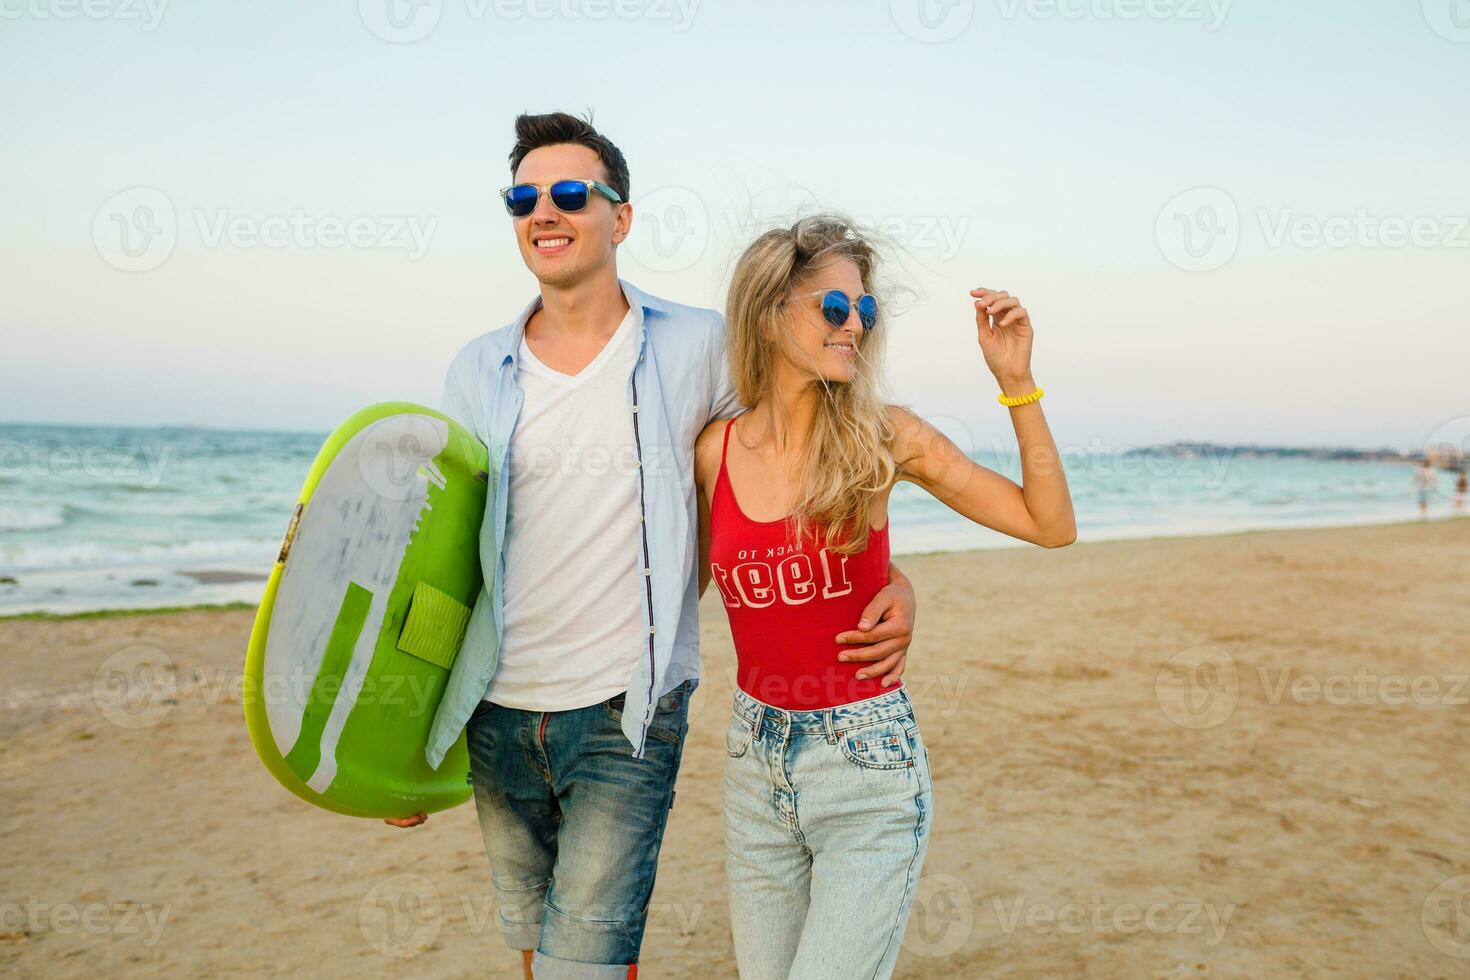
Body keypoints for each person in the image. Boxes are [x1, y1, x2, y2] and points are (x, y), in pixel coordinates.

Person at [387, 114, 921, 980]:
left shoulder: (700, 345)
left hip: (624, 710)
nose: (544, 211)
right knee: (534, 948)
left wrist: (893, 574)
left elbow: (798, 465)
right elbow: (444, 558)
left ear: (620, 219)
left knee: (586, 963)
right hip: (497, 710)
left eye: (570, 194)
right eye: (524, 197)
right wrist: (405, 744)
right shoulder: (475, 370)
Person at [694, 216, 1075, 978]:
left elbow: (1049, 523)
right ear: (770, 313)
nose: (855, 327)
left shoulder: (883, 437)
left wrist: (1016, 385)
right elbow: (661, 592)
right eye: (834, 309)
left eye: (864, 311)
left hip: (865, 763)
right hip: (752, 762)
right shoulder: (714, 450)